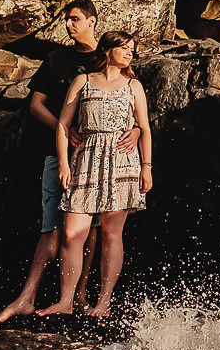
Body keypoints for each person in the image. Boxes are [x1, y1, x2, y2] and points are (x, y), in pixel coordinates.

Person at [0, 0, 141, 325]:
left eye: (74, 19)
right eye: (66, 20)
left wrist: (139, 129)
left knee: (95, 229)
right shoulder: (57, 60)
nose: (68, 25)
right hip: (58, 155)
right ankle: (28, 297)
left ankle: (78, 296)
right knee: (54, 226)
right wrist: (65, 126)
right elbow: (36, 105)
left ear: (92, 21)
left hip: (105, 161)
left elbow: (132, 108)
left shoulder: (109, 61)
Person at [39, 30, 153, 318]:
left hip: (123, 161)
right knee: (71, 233)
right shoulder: (83, 81)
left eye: (132, 49)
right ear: (106, 50)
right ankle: (66, 301)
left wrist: (147, 167)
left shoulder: (134, 85)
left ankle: (103, 302)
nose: (129, 53)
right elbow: (64, 125)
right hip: (86, 158)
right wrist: (64, 164)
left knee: (112, 234)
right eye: (124, 47)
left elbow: (145, 127)